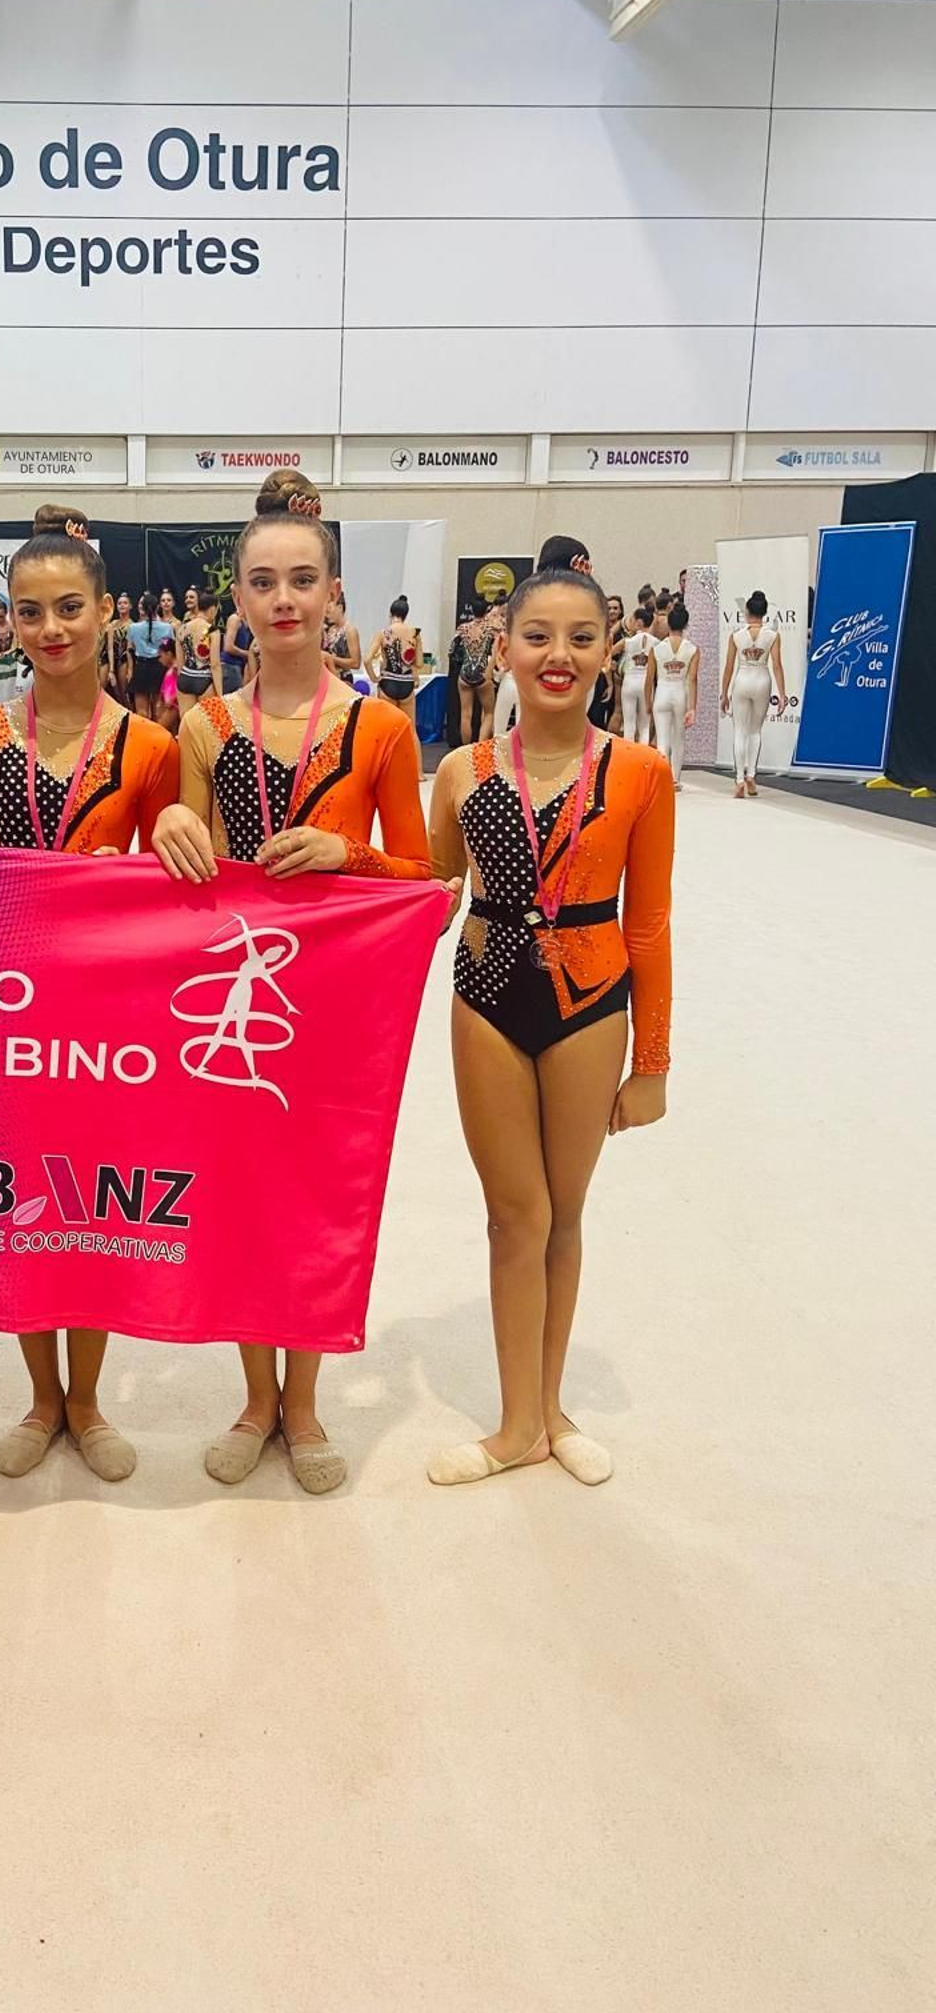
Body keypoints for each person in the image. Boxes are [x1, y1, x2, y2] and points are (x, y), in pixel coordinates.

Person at [151, 469, 434, 1497]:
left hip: (333, 997)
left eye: (301, 581)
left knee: (315, 1197)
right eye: (262, 582)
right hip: (232, 993)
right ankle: (253, 1395)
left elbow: (426, 878)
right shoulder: (202, 726)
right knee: (236, 1193)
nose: (281, 600)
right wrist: (172, 823)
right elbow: (180, 862)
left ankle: (303, 1399)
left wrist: (347, 855)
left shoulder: (379, 728)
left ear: (332, 596)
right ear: (237, 600)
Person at [426, 566, 673, 1490]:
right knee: (511, 1214)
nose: (556, 655)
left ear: (608, 653)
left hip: (590, 1001)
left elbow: (648, 922)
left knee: (564, 1213)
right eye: (537, 635)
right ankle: (514, 1422)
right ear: (505, 648)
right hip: (486, 995)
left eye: (579, 637)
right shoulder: (462, 771)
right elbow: (431, 890)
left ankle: (552, 1408)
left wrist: (650, 1062)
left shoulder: (641, 774)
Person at [0, 513, 179, 1486]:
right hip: (6, 1006)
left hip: (102, 1012)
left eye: (70, 609)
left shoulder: (150, 744)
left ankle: (87, 1400)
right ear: (10, 622)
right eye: (30, 611)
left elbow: (172, 873)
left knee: (90, 1209)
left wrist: (172, 822)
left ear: (105, 614)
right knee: (15, 1208)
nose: (51, 628)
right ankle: (40, 1398)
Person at [722, 590, 785, 799]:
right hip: (762, 678)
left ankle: (739, 778)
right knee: (755, 730)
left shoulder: (736, 636)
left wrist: (724, 693)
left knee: (739, 730)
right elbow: (777, 665)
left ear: (747, 612)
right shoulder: (772, 636)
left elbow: (729, 666)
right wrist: (782, 694)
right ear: (765, 613)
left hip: (742, 679)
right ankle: (751, 774)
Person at [646, 601, 698, 789]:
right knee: (678, 738)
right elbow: (692, 679)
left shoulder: (657, 648)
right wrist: (692, 707)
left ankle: (663, 777)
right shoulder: (692, 649)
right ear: (685, 625)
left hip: (662, 691)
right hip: (680, 693)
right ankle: (675, 778)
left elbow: (649, 678)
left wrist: (647, 701)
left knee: (662, 739)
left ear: (669, 623)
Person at [366, 595, 422, 726]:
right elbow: (419, 663)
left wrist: (374, 678)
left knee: (387, 728)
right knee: (410, 729)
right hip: (407, 682)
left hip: (388, 681)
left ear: (390, 614)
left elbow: (367, 659)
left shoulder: (384, 633)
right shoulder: (415, 633)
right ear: (406, 615)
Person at [455, 594, 498, 743]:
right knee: (489, 713)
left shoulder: (462, 629)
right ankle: (481, 745)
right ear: (486, 610)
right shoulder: (491, 630)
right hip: (483, 673)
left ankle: (465, 749)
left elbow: (451, 651)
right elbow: (496, 652)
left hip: (465, 673)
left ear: (472, 610)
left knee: (465, 714)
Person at [128, 589, 175, 722]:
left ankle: (143, 740)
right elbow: (169, 649)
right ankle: (159, 741)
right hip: (159, 668)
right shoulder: (167, 628)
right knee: (158, 711)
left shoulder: (133, 628)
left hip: (141, 667)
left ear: (141, 608)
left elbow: (131, 647)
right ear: (158, 607)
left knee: (141, 713)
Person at [617, 605, 655, 745]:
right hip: (646, 682)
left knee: (629, 723)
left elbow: (609, 652)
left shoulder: (627, 641)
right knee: (644, 724)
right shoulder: (656, 643)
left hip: (629, 681)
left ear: (639, 622)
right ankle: (643, 757)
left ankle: (628, 755)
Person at [176, 587, 218, 705]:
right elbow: (215, 665)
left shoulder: (182, 629)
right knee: (206, 722)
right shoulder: (212, 630)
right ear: (213, 609)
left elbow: (180, 662)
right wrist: (220, 694)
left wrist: (181, 682)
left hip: (185, 677)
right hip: (204, 678)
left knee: (185, 722)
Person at [595, 593, 626, 731]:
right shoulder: (600, 628)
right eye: (609, 608)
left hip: (619, 677)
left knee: (616, 710)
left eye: (615, 608)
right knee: (598, 711)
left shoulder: (624, 633)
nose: (612, 611)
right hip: (602, 676)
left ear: (620, 610)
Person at [321, 586, 361, 680]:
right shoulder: (327, 628)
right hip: (326, 676)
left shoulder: (349, 631)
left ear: (340, 607)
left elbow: (355, 663)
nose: (327, 615)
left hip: (342, 677)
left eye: (329, 611)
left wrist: (331, 659)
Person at [218, 597, 253, 695]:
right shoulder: (235, 619)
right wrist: (247, 654)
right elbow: (228, 647)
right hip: (229, 667)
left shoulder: (246, 622)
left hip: (236, 667)